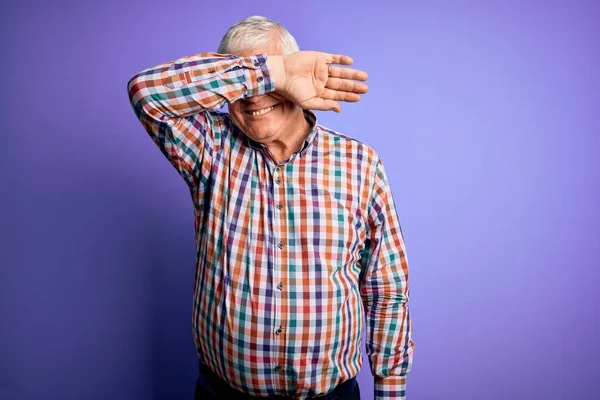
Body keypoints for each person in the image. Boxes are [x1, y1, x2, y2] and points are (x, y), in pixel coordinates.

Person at [127, 15, 414, 400]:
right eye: (246, 79)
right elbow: (145, 92)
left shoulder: (359, 163)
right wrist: (271, 71)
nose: (254, 96)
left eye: (271, 82)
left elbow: (386, 287)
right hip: (224, 393)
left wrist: (390, 391)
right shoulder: (209, 147)